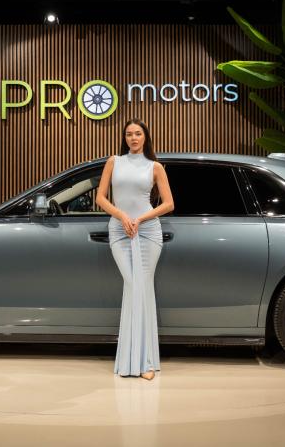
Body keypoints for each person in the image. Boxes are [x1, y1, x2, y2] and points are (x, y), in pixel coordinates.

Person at [96, 119, 174, 380]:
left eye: (138, 133)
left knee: (142, 287)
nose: (133, 138)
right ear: (124, 138)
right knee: (132, 285)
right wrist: (122, 216)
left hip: (148, 231)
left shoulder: (155, 167)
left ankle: (146, 361)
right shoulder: (114, 162)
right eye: (129, 134)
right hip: (119, 231)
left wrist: (139, 219)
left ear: (145, 137)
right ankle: (131, 360)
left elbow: (168, 204)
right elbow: (100, 198)